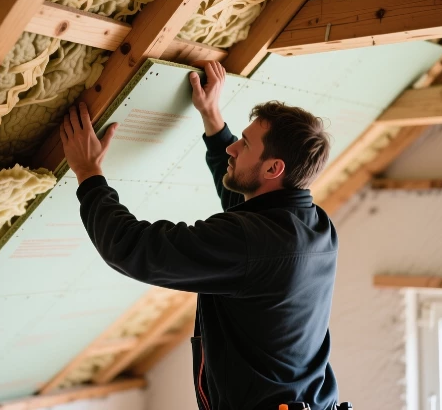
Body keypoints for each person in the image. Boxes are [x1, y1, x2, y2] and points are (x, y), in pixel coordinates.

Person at [60, 60, 338, 410]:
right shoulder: (313, 225)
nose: (232, 148)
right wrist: (212, 118)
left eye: (244, 145)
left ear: (273, 168)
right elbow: (246, 205)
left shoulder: (259, 241)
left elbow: (133, 249)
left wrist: (88, 173)